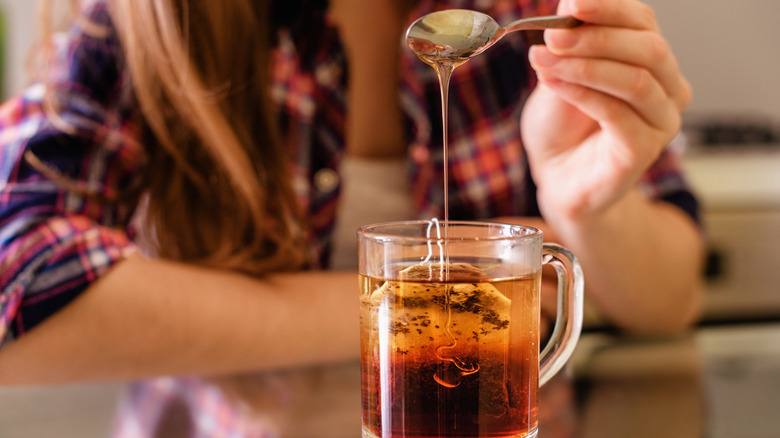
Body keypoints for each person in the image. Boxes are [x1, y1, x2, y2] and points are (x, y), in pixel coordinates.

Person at [0, 0, 704, 435]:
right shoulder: (156, 19)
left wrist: (582, 209)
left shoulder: (541, 18)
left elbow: (668, 301)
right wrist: (443, 304)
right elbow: (16, 284)